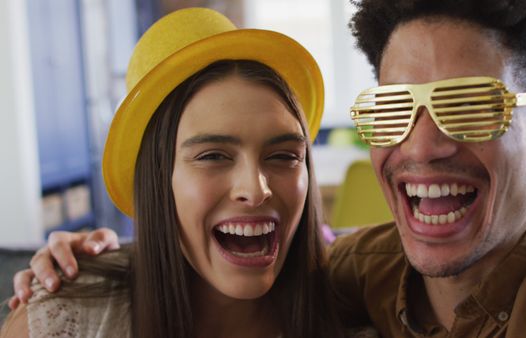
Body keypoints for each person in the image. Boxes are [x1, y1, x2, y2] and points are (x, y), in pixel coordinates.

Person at [9, 0, 526, 337]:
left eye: (470, 106)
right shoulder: (356, 273)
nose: (422, 147)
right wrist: (91, 259)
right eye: (395, 108)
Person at [1, 7, 348, 338]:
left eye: (284, 155)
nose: (256, 190)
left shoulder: (358, 306)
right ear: (158, 180)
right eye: (213, 155)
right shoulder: (60, 323)